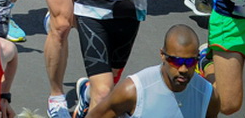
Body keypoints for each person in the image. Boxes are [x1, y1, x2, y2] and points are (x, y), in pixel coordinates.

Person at [87, 25, 218, 118]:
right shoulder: (133, 90)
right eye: (176, 61)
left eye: (190, 62)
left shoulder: (208, 96)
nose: (183, 69)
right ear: (162, 55)